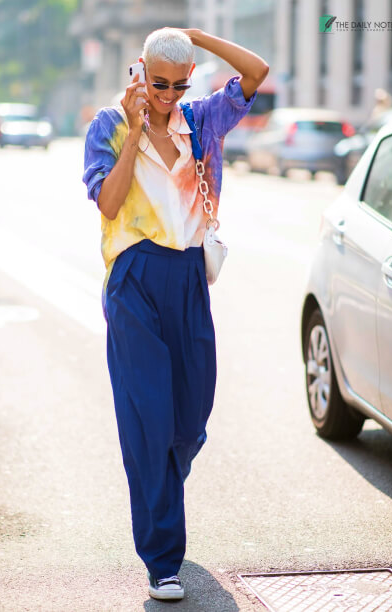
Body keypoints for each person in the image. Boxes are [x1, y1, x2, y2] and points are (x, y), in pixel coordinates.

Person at [83, 28, 268, 601]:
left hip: (188, 277)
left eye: (177, 84)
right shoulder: (109, 127)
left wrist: (194, 37)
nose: (166, 94)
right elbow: (109, 204)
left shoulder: (201, 120)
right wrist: (137, 130)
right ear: (140, 71)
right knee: (149, 419)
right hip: (135, 278)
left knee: (189, 419)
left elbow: (257, 73)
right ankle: (163, 560)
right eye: (158, 82)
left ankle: (161, 484)